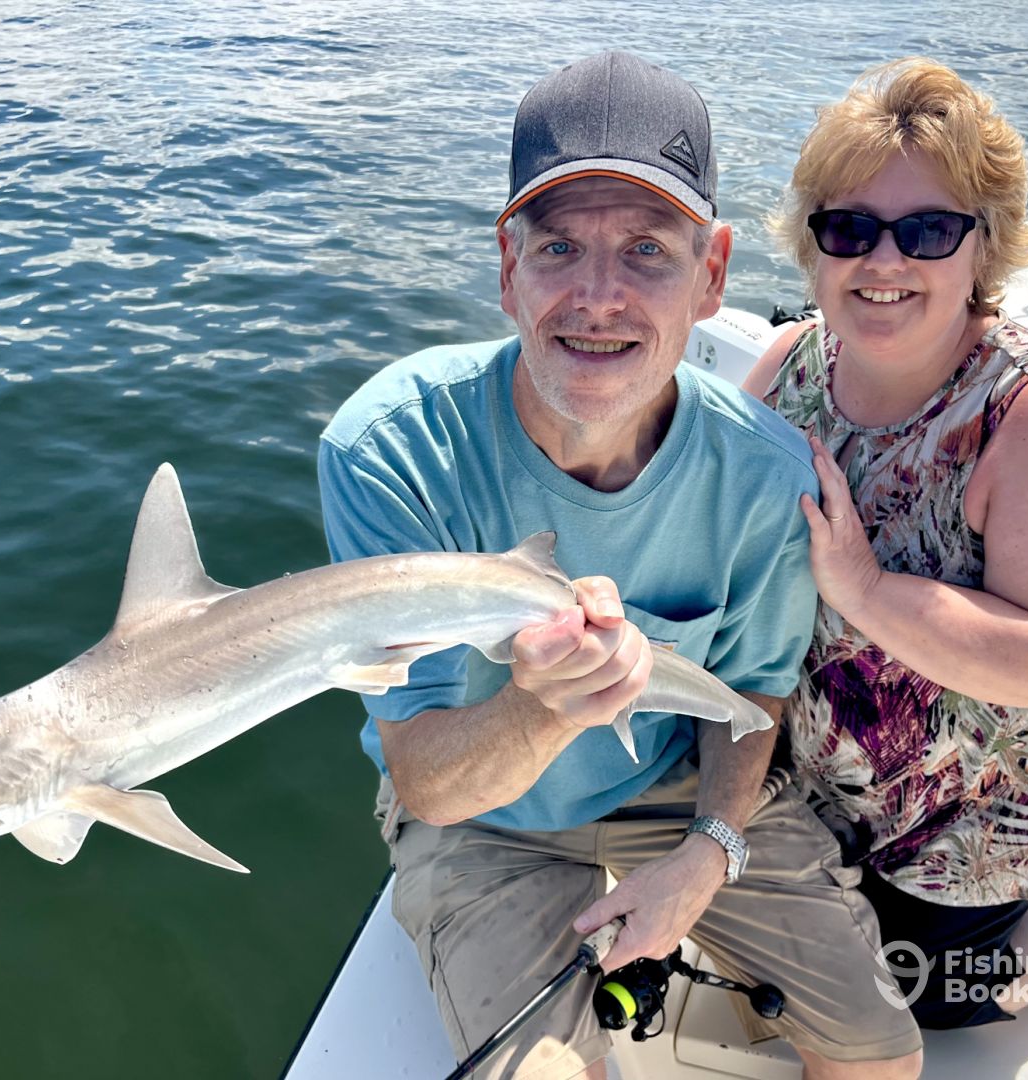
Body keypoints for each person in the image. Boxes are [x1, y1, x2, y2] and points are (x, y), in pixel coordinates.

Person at [319, 52, 923, 1079]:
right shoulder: (391, 453)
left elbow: (750, 690)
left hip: (676, 783)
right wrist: (544, 705)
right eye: (559, 246)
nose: (598, 299)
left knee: (881, 1058)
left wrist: (709, 852)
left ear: (712, 274)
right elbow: (428, 779)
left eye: (647, 250)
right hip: (485, 820)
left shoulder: (769, 475)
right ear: (508, 266)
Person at [743, 57, 1028, 1030]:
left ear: (984, 245)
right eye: (849, 228)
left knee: (927, 999)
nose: (883, 262)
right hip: (809, 772)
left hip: (965, 812)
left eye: (926, 231)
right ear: (812, 243)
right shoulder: (787, 366)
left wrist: (867, 589)